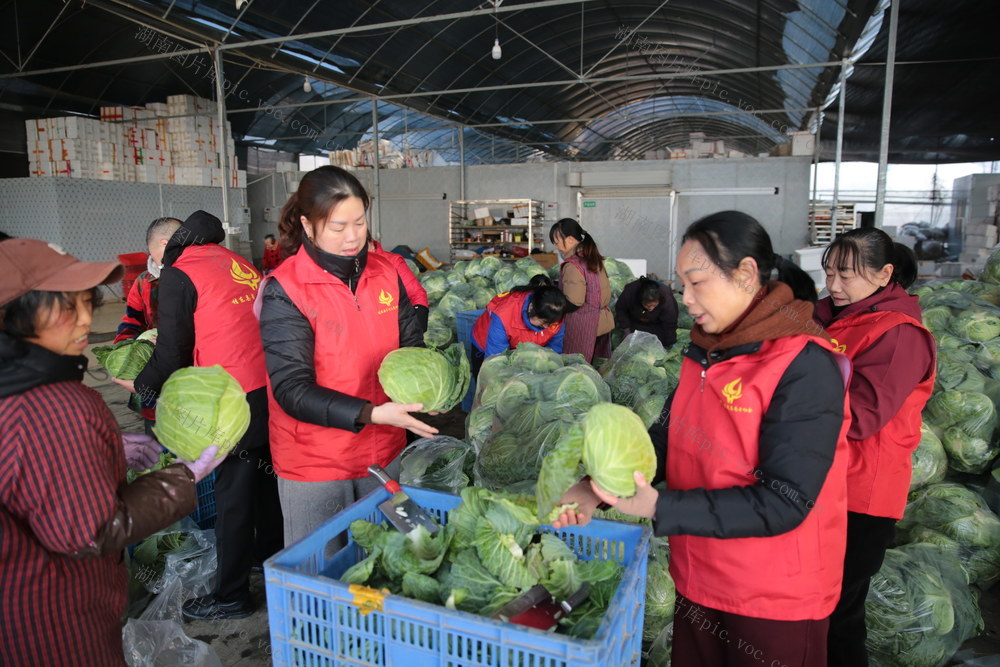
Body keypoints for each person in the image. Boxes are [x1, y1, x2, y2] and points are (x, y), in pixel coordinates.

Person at [553, 211, 851, 667]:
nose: (685, 298)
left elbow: (785, 501)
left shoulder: (804, 364)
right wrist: (598, 487)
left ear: (746, 274)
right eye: (682, 284)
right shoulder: (706, 350)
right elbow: (667, 439)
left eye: (696, 283)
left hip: (773, 597)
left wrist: (659, 507)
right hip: (699, 577)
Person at [0, 238, 221, 665]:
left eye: (87, 302)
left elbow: (21, 465)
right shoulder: (54, 405)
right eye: (66, 308)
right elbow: (90, 532)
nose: (86, 319)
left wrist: (102, 448)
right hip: (52, 621)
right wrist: (182, 477)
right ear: (13, 316)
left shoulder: (19, 392)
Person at [257, 165, 437, 548]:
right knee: (321, 571)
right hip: (316, 463)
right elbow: (291, 389)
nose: (353, 237)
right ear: (308, 225)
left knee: (386, 563)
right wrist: (372, 413)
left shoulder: (386, 273)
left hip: (384, 449)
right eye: (338, 227)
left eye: (359, 223)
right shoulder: (285, 289)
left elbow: (412, 350)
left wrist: (426, 391)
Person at [122, 211, 283, 621]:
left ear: (163, 246)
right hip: (268, 387)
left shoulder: (180, 272)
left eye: (155, 257)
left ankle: (231, 596)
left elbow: (172, 351)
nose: (156, 266)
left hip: (231, 397)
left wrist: (141, 387)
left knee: (232, 497)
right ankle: (267, 557)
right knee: (264, 482)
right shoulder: (234, 260)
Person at [815, 228, 935, 667]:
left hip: (862, 495)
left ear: (884, 274)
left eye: (846, 275)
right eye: (829, 273)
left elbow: (862, 416)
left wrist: (785, 398)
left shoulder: (899, 334)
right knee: (811, 607)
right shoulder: (829, 316)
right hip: (822, 481)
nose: (833, 285)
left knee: (838, 615)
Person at [114, 217, 180, 433]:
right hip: (154, 373)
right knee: (157, 435)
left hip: (191, 375)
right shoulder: (144, 282)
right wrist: (125, 354)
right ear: (165, 244)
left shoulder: (195, 276)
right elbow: (131, 322)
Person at [470, 276, 567, 375]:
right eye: (543, 322)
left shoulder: (554, 315)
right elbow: (496, 358)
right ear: (531, 308)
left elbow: (554, 349)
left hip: (519, 350)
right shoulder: (505, 315)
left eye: (550, 323)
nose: (546, 327)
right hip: (487, 343)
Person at [549, 218, 614, 362]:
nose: (556, 246)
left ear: (570, 239)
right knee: (593, 366)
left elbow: (574, 302)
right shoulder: (592, 257)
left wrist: (552, 306)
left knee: (577, 366)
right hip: (600, 321)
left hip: (582, 325)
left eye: (557, 242)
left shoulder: (573, 265)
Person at [368, 234, 429, 333]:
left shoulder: (393, 261)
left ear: (371, 243)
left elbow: (416, 293)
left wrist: (417, 326)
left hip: (396, 327)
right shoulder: (349, 267)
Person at [614, 276, 679, 348]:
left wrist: (670, 343)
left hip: (657, 324)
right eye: (647, 305)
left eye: (654, 305)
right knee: (632, 340)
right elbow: (621, 309)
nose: (651, 308)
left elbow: (670, 322)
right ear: (640, 300)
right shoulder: (630, 292)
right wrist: (626, 328)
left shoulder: (666, 296)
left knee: (663, 339)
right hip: (636, 322)